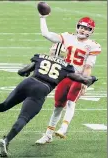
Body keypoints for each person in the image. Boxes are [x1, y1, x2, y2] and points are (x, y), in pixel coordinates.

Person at [0, 53, 97, 157]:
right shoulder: (67, 67)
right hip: (42, 89)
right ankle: (6, 140)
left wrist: (26, 72)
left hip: (28, 82)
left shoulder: (40, 57)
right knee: (23, 118)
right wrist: (93, 79)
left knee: (4, 105)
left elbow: (21, 71)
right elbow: (83, 80)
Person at [35, 11, 101, 144]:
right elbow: (46, 34)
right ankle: (48, 135)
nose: (82, 30)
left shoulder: (92, 45)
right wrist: (42, 18)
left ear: (91, 31)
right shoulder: (67, 37)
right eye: (81, 27)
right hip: (64, 75)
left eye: (86, 28)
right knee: (58, 106)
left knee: (71, 102)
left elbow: (88, 67)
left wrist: (84, 83)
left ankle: (64, 128)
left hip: (78, 77)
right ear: (77, 27)